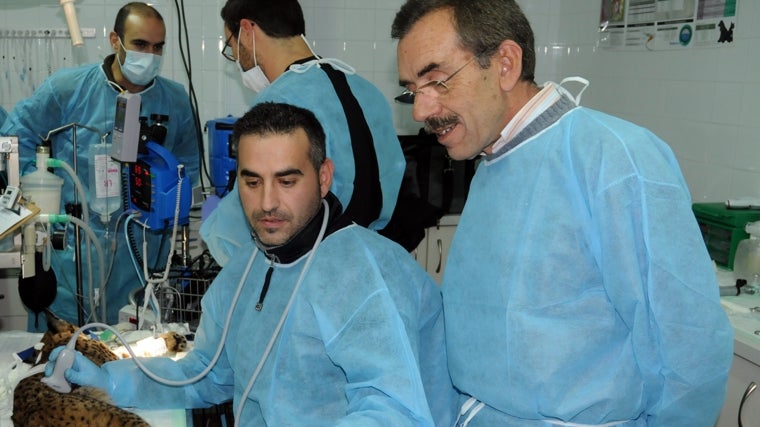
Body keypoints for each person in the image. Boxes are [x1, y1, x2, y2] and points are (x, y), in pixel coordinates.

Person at [391, 1, 734, 426]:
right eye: (411, 90)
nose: (420, 111)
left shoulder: (613, 159)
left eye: (437, 81)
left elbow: (690, 345)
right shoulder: (496, 160)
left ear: (505, 64)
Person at [46, 102, 457, 426]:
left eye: (287, 180)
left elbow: (395, 412)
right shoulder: (248, 268)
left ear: (324, 177)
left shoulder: (367, 276)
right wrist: (113, 380)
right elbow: (206, 373)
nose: (266, 204)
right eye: (252, 181)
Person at [0, 2, 200, 329]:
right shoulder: (69, 89)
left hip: (141, 256)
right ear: (114, 40)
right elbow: (15, 135)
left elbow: (188, 166)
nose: (149, 55)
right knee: (58, 357)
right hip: (72, 254)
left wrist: (169, 204)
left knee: (132, 353)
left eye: (158, 47)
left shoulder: (174, 100)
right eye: (139, 44)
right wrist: (35, 194)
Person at [200, 0, 406, 266]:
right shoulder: (365, 90)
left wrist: (213, 223)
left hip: (306, 269)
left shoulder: (279, 102)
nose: (237, 59)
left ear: (247, 30)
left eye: (232, 48)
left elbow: (242, 236)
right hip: (370, 261)